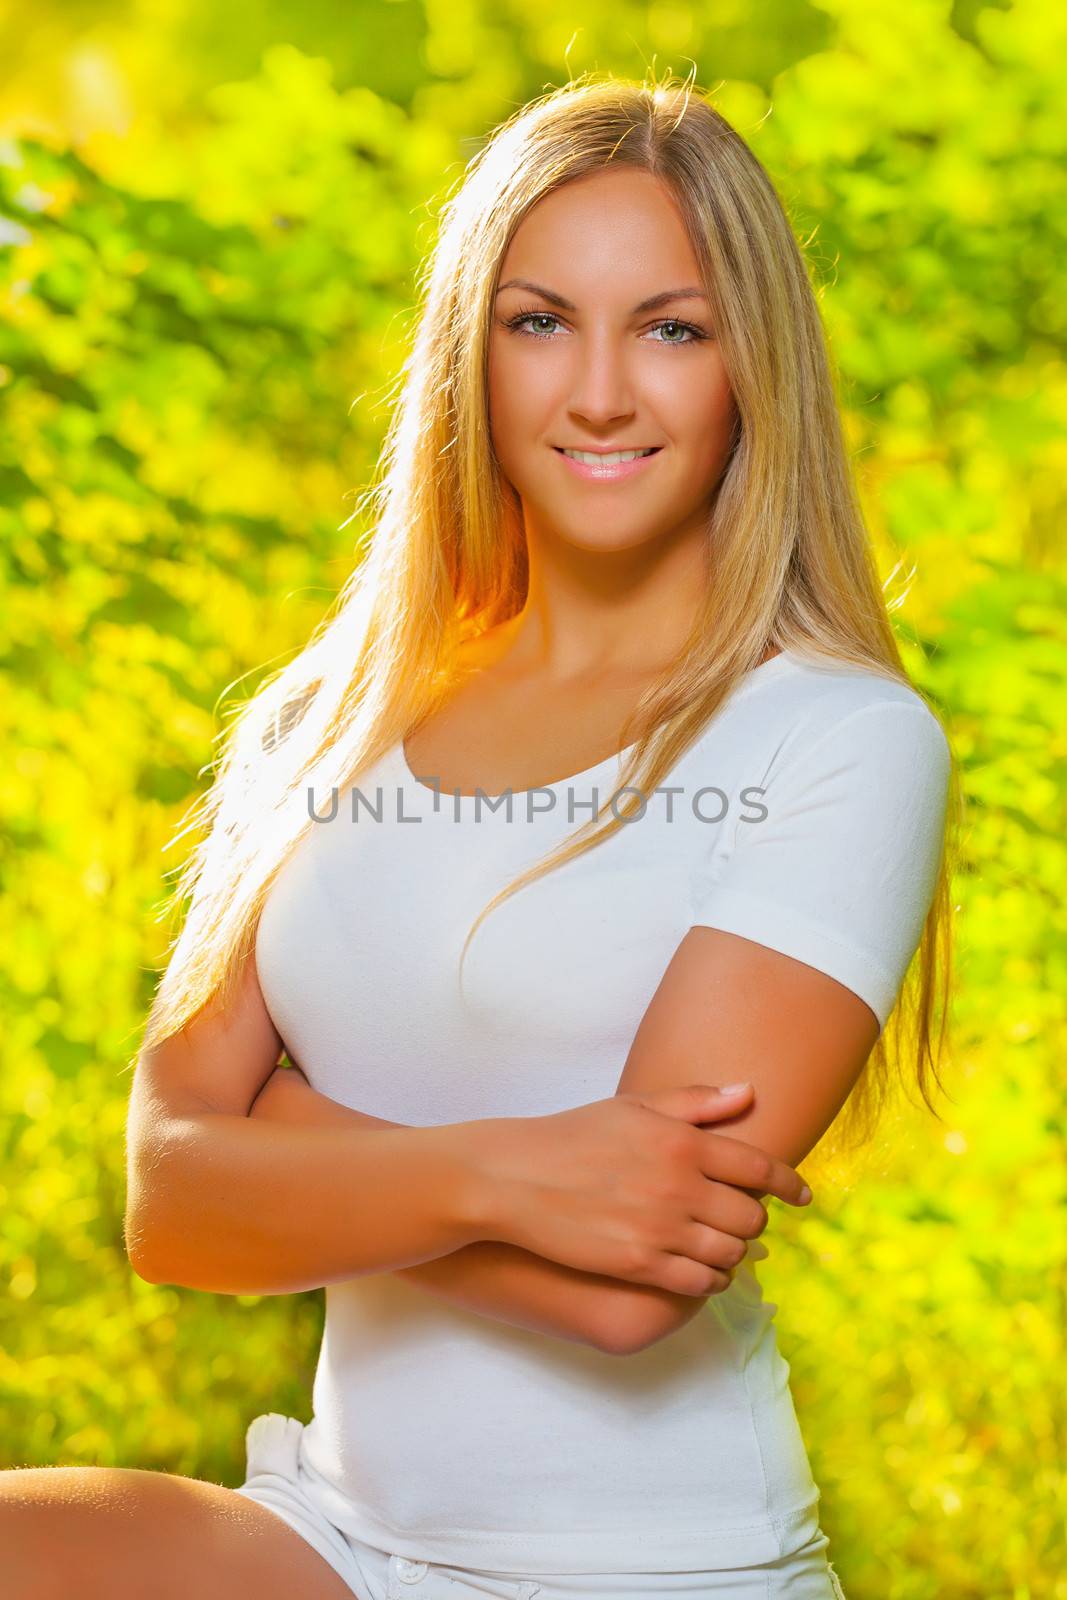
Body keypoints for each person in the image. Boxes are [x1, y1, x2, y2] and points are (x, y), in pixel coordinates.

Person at [0, 71, 957, 1600]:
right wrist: (519, 1173)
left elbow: (637, 1279)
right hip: (338, 1529)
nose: (597, 393)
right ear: (469, 355)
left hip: (652, 1565)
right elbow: (172, 1196)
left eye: (670, 327)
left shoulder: (836, 738)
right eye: (537, 322)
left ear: (749, 366)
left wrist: (296, 1150)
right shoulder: (325, 720)